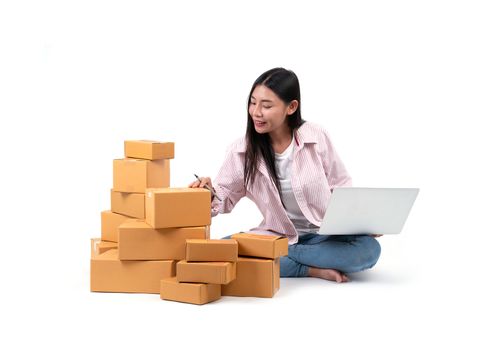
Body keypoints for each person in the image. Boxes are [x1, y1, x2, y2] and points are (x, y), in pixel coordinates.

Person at [189, 67, 381, 283]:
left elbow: (341, 184)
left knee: (369, 250)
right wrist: (208, 193)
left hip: (325, 235)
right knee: (218, 251)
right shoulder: (242, 151)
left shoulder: (316, 136)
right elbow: (224, 196)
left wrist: (359, 223)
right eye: (252, 103)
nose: (256, 112)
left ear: (291, 107)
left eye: (266, 105)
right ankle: (309, 269)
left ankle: (272, 256)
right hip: (276, 235)